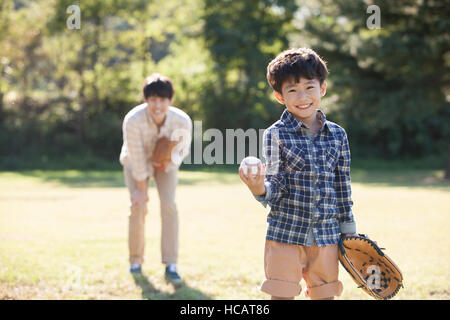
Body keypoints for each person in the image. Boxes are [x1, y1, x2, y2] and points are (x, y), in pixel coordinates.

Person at [239, 48, 357, 300]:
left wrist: (349, 229)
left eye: (309, 87)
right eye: (292, 90)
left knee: (324, 296)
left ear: (322, 88)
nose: (302, 97)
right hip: (285, 235)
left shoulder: (338, 134)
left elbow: (342, 185)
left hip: (326, 235)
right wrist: (258, 187)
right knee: (281, 295)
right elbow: (276, 186)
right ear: (280, 96)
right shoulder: (275, 134)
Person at [119, 73, 192, 284]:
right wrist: (141, 190)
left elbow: (181, 151)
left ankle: (171, 264)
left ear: (169, 101)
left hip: (165, 165)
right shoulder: (132, 120)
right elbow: (137, 158)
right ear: (146, 100)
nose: (157, 105)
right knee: (137, 206)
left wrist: (165, 162)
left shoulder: (182, 121)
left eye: (162, 100)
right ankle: (136, 262)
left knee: (169, 205)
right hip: (136, 161)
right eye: (152, 99)